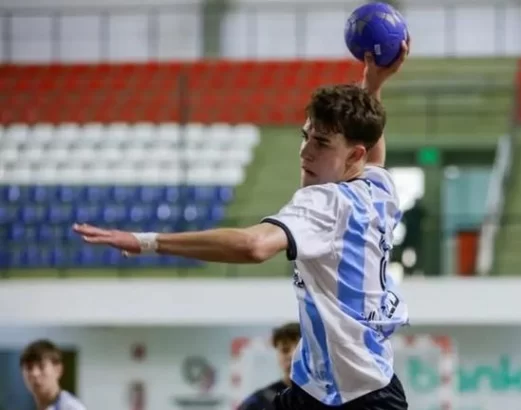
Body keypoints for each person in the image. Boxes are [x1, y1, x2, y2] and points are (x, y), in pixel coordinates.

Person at [72, 39, 411, 410]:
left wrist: (149, 241)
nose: (305, 151)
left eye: (321, 143)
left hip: (353, 400)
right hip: (339, 387)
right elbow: (371, 151)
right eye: (305, 137)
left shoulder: (324, 202)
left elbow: (254, 246)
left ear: (353, 154)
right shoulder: (380, 187)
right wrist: (372, 86)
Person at [238, 323, 302, 410]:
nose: (292, 355)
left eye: (299, 350)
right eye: (285, 350)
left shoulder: (323, 398)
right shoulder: (259, 402)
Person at [19, 339, 86, 410]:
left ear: (58, 370)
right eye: (29, 368)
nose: (35, 373)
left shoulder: (71, 407)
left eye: (41, 367)